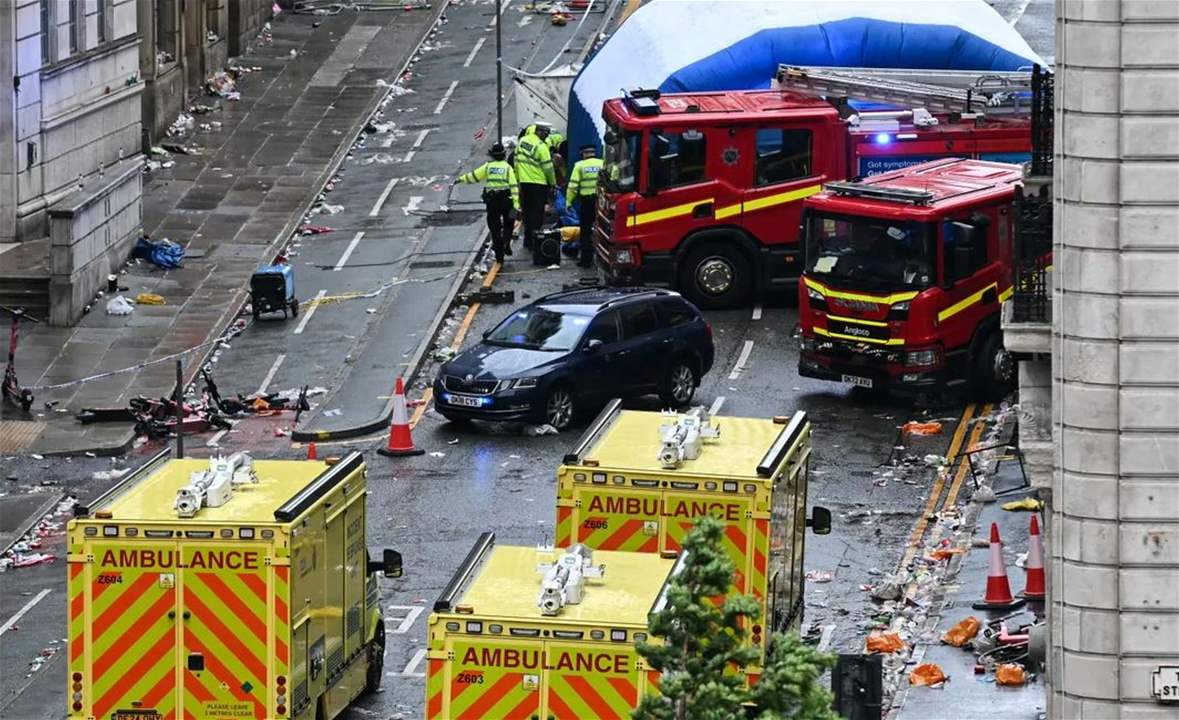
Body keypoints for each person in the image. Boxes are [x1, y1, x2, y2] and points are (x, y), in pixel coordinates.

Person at [457, 143, 519, 264]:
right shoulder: (508, 168)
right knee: (509, 224)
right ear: (504, 155)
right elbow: (514, 186)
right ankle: (506, 242)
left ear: (492, 155)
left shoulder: (488, 167)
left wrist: (461, 179)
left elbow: (474, 176)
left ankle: (499, 255)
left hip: (492, 202)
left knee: (494, 227)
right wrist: (516, 205)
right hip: (507, 201)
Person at [514, 124, 557, 264]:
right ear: (539, 131)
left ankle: (527, 240)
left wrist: (518, 178)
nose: (546, 136)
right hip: (538, 184)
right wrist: (553, 183)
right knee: (537, 214)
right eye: (545, 133)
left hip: (525, 183)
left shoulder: (523, 141)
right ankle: (535, 243)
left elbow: (516, 161)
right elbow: (548, 168)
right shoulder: (541, 146)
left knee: (526, 212)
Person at [566, 145, 603, 268]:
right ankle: (602, 258)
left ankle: (586, 260)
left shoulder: (579, 166)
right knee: (602, 230)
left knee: (585, 231)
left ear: (583, 154)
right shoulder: (602, 164)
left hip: (587, 203)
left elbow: (573, 186)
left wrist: (568, 203)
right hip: (601, 202)